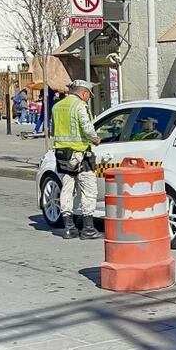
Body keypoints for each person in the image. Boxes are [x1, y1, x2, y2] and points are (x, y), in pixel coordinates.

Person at [52, 80, 102, 240]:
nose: (88, 98)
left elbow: (54, 129)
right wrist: (95, 139)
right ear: (84, 93)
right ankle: (88, 228)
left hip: (62, 154)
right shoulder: (80, 106)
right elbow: (87, 128)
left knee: (67, 189)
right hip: (80, 154)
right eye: (89, 96)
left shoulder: (57, 106)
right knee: (89, 190)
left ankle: (69, 227)